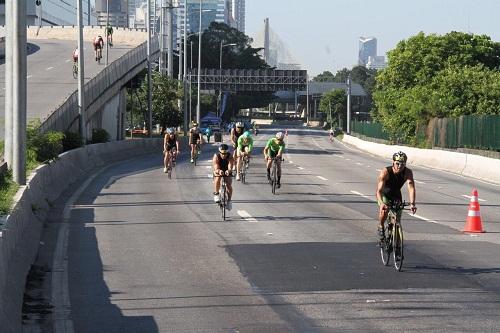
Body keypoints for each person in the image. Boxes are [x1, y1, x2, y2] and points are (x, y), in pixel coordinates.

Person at [376, 151, 417, 241]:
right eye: (397, 163)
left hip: (396, 195)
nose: (399, 166)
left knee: (397, 220)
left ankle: (397, 244)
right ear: (393, 162)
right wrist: (382, 203)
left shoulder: (408, 172)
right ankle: (381, 225)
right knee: (384, 212)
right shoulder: (385, 172)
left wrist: (412, 204)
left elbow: (411, 188)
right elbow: (379, 191)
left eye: (402, 164)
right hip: (385, 194)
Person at [213, 143, 234, 210]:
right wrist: (219, 171)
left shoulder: (230, 156)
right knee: (218, 177)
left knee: (228, 185)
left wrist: (229, 170)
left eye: (225, 154)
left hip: (227, 169)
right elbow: (216, 166)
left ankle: (229, 201)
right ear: (219, 152)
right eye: (222, 153)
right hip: (219, 169)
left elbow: (230, 165)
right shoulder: (216, 156)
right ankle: (216, 193)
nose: (224, 155)